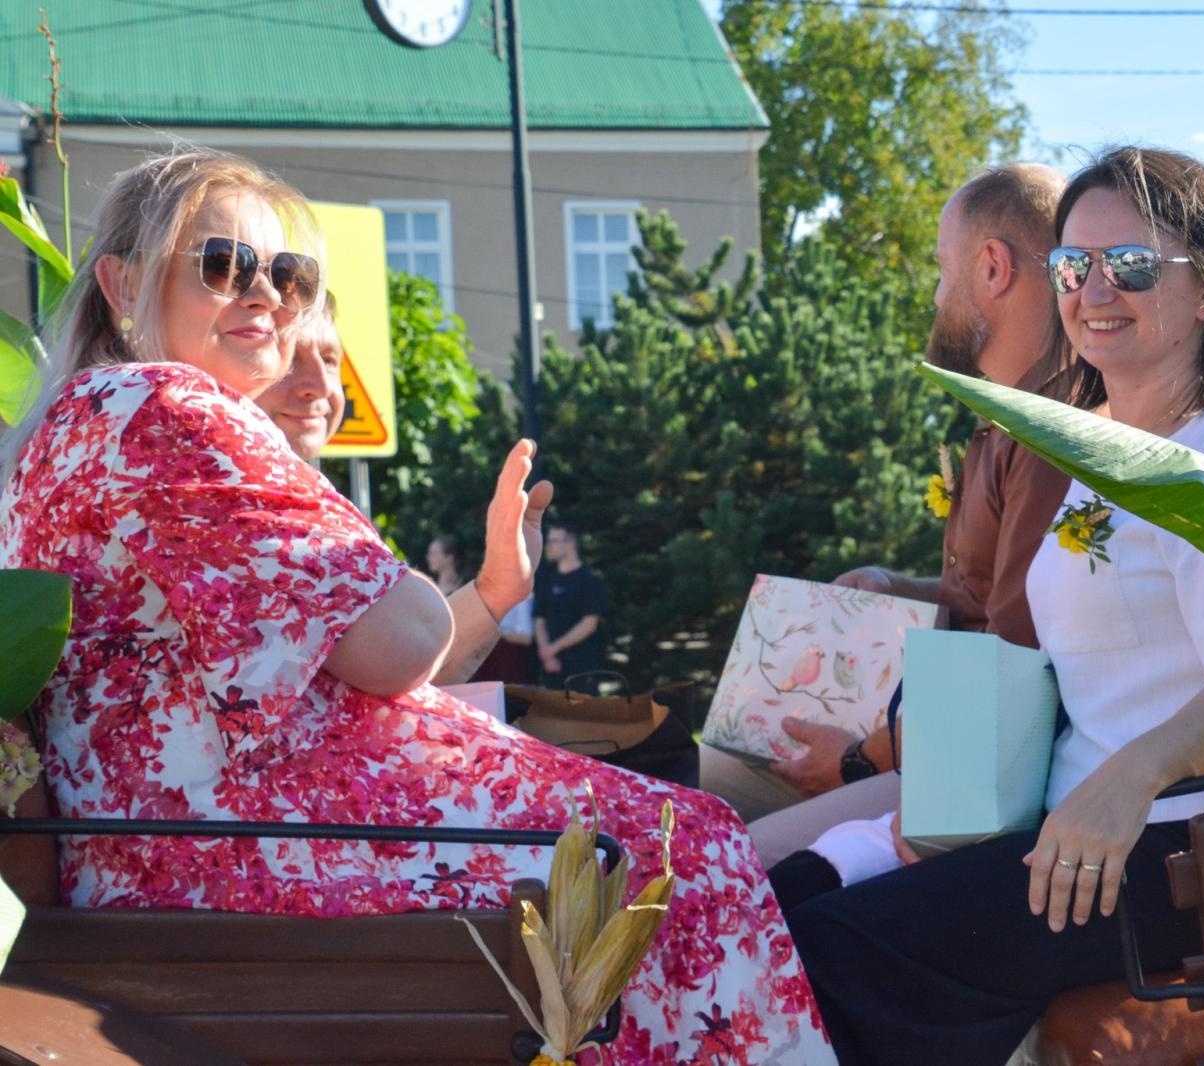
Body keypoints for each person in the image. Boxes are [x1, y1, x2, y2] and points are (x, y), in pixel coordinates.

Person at [0, 148, 834, 1065]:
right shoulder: (166, 403)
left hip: (153, 860)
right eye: (221, 264)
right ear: (121, 283)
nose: (268, 296)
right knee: (690, 851)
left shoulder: (59, 434)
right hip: (247, 858)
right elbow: (401, 640)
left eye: (290, 274)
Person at [783, 146, 1204, 1064]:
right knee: (793, 906)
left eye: (1131, 266)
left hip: (1203, 843)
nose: (1094, 290)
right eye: (1075, 266)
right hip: (1108, 831)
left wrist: (1126, 784)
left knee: (830, 954)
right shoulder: (1105, 451)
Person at [701, 163, 1074, 841]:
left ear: (992, 268)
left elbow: (1016, 654)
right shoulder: (1005, 418)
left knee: (722, 859)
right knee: (683, 779)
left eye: (941, 269)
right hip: (927, 739)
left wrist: (854, 757)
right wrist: (891, 586)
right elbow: (988, 596)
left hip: (961, 771)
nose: (935, 297)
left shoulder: (1050, 433)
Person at [256, 305, 530, 686]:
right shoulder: (230, 501)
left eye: (331, 359)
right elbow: (401, 659)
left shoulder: (302, 499)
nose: (319, 383)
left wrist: (498, 585)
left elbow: (398, 681)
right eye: (288, 358)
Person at [533, 521, 606, 691]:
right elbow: (539, 619)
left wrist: (553, 648)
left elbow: (589, 623)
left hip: (582, 667)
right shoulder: (547, 581)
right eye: (548, 541)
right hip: (552, 668)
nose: (548, 547)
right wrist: (546, 654)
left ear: (571, 543)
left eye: (554, 541)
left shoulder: (589, 580)